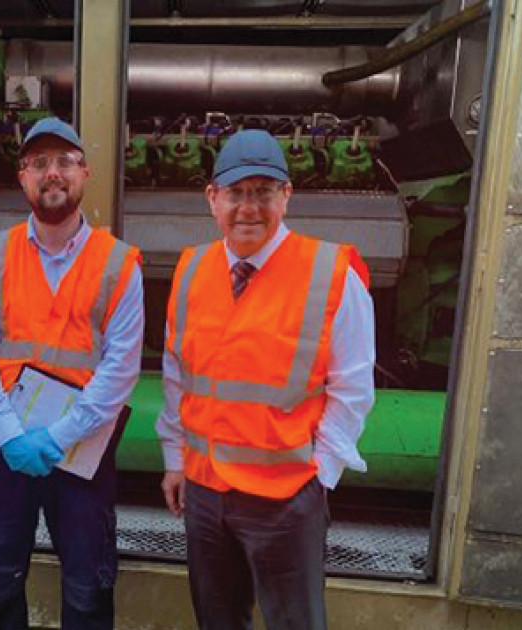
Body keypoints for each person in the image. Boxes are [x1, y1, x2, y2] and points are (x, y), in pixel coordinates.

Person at [156, 129, 375, 630]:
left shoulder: (332, 273)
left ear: (287, 197)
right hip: (205, 493)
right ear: (213, 199)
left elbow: (352, 390)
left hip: (285, 499)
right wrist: (176, 460)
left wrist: (318, 479)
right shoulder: (191, 271)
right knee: (218, 621)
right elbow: (177, 375)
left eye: (264, 192)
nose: (248, 208)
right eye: (236, 193)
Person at [0, 117, 143, 630]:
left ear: (84, 172)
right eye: (39, 163)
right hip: (5, 449)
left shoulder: (118, 264)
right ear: (22, 177)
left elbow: (120, 369)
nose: (52, 173)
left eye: (64, 161)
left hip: (81, 453)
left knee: (88, 589)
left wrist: (59, 435)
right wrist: (12, 434)